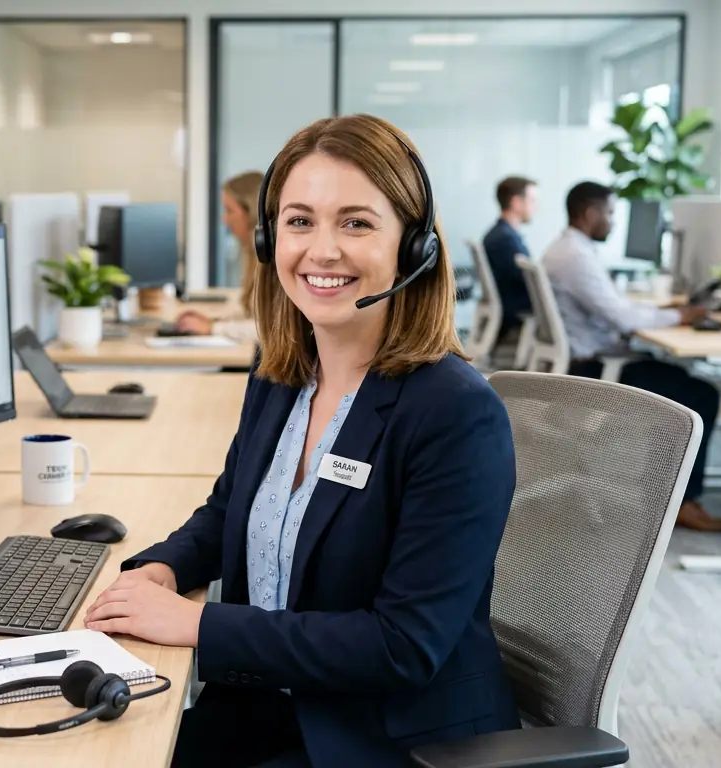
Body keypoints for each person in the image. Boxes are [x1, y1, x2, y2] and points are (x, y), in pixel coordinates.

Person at [85, 114, 519, 767]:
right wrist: (165, 569)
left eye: (356, 223)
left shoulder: (455, 415)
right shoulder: (282, 377)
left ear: (414, 246)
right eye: (299, 221)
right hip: (267, 710)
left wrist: (197, 624)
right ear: (269, 239)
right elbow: (228, 511)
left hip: (387, 739)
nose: (322, 249)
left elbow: (402, 644)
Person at [542, 181, 721, 533]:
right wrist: (681, 316)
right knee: (700, 394)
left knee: (678, 380)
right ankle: (681, 501)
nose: (613, 223)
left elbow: (616, 307)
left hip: (591, 358)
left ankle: (662, 494)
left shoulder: (569, 249)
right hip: (599, 368)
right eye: (610, 213)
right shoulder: (575, 257)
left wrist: (666, 311)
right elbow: (623, 318)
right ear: (590, 213)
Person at [175, 171, 264, 343]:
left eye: (229, 210)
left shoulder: (272, 260)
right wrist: (213, 322)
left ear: (251, 212)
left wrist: (213, 328)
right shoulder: (251, 254)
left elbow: (271, 329)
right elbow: (253, 314)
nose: (224, 219)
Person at [481, 176, 535, 337]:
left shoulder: (502, 234)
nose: (536, 207)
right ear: (516, 202)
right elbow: (528, 282)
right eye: (532, 200)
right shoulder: (505, 240)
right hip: (515, 312)